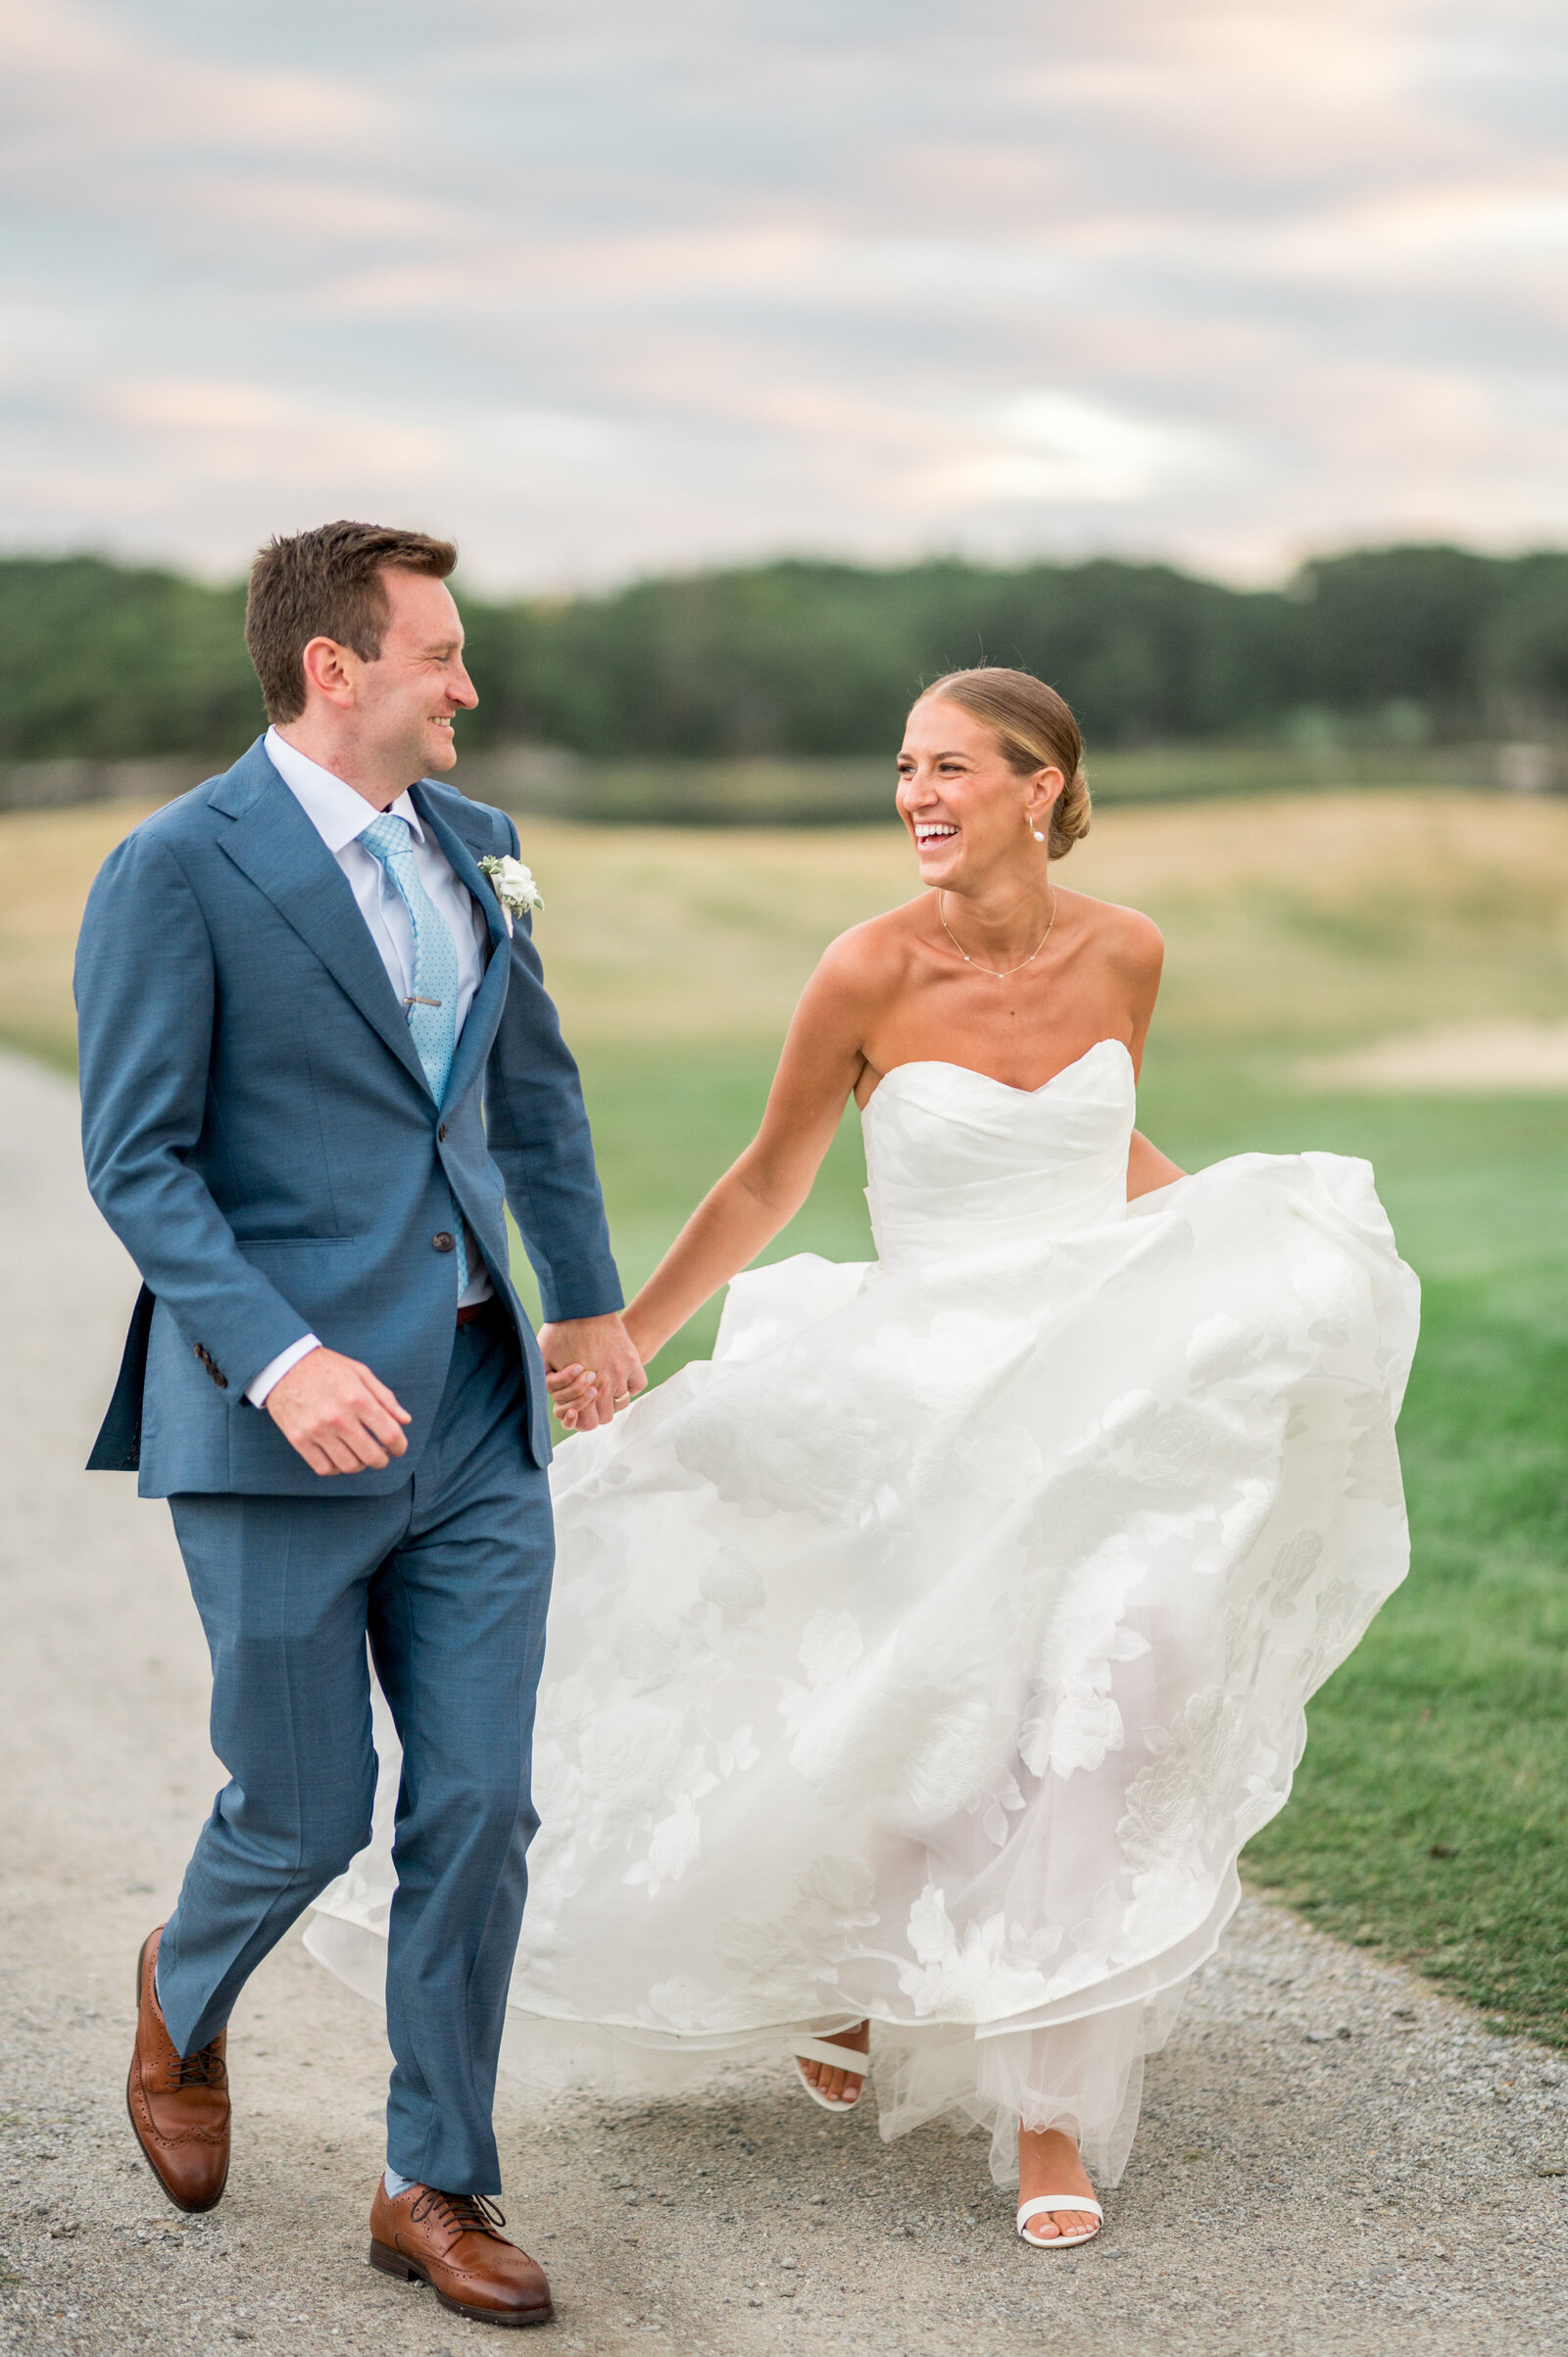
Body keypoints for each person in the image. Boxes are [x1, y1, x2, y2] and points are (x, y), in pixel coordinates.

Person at [309, 665, 1419, 2251]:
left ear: (1041, 785)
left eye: (951, 766)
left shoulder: (1129, 950)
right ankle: (856, 1968)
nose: (917, 794)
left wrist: (1241, 1250)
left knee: (1125, 1678)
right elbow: (769, 1181)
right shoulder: (867, 969)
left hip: (1100, 1384)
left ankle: (1047, 2096)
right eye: (906, 767)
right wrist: (625, 1336)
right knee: (933, 1707)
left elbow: (1096, 1142)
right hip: (922, 1393)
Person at [74, 519, 644, 2329]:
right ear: (337, 666)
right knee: (302, 1814)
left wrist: (587, 1299)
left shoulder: (479, 843)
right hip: (281, 1428)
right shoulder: (177, 866)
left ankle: (434, 2178)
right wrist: (278, 1356)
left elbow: (532, 1095)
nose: (469, 681)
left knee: (479, 1800)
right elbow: (138, 1158)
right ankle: (185, 1984)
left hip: (474, 1408)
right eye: (441, 652)